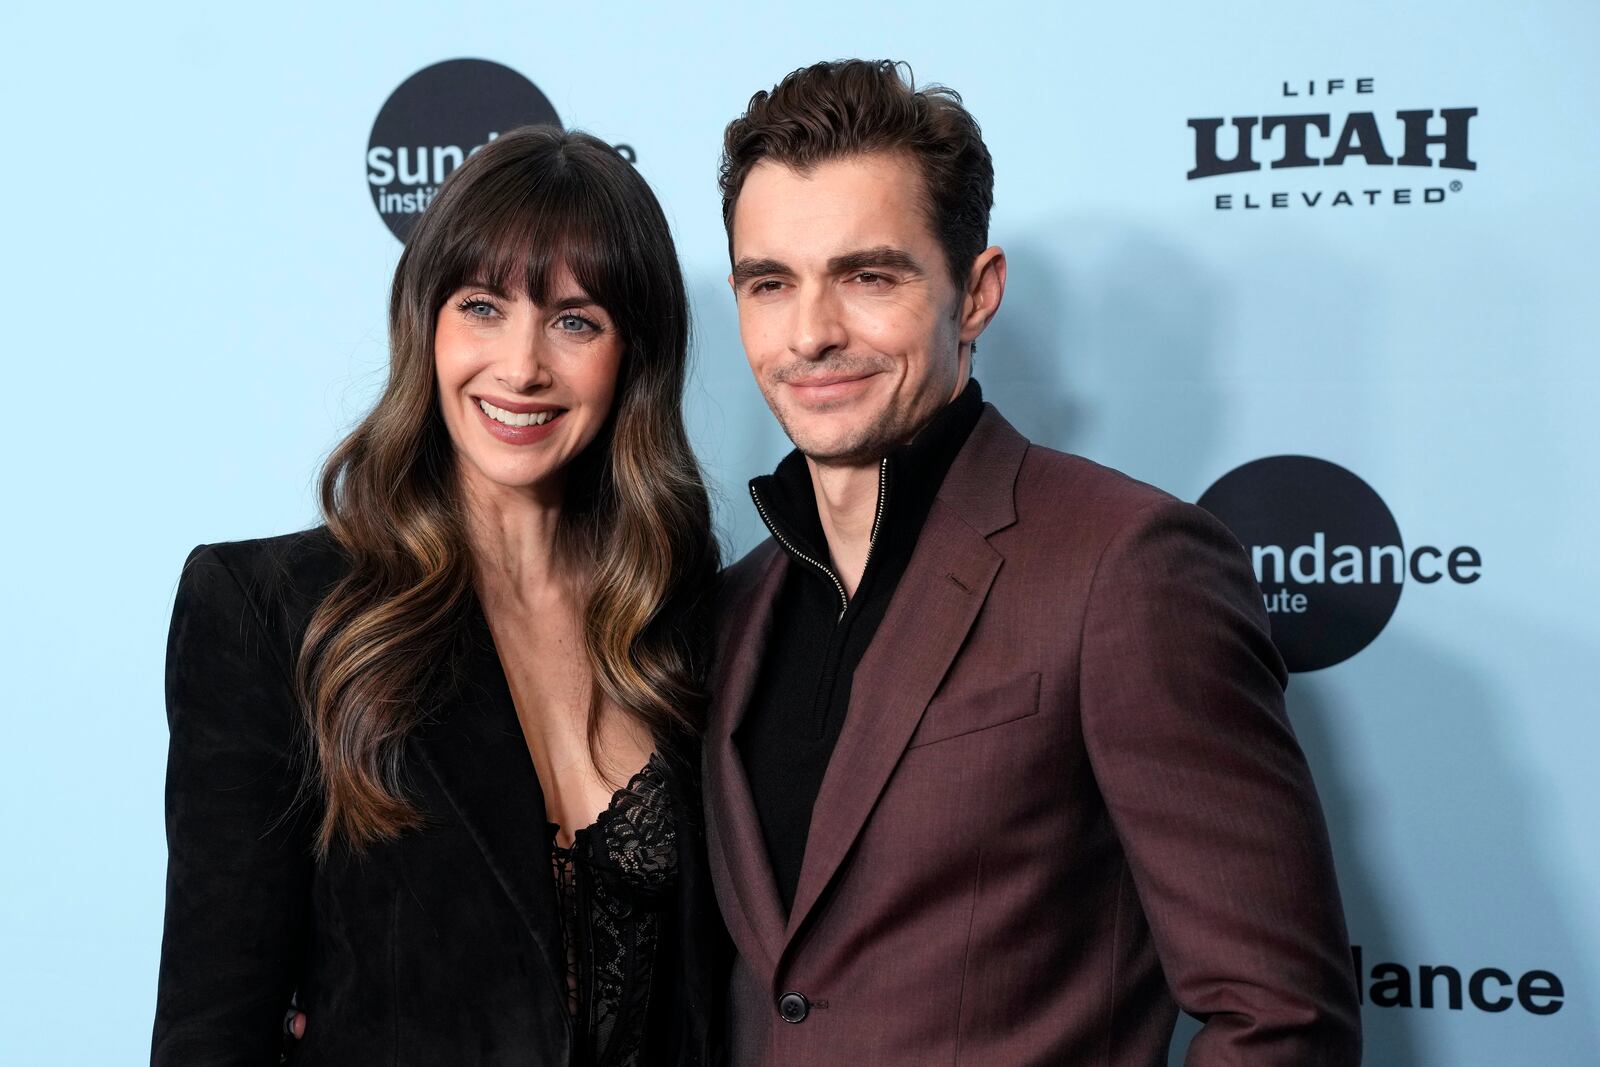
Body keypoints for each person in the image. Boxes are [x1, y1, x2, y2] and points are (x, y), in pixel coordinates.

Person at [705, 60, 1363, 1065]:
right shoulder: (732, 607)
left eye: (867, 276)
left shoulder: (1128, 567)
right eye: (770, 283)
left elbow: (1280, 1017)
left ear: (975, 293)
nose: (811, 333)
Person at [151, 126, 726, 1066]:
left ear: (633, 355)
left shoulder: (686, 616)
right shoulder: (273, 613)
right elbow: (213, 1027)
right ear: (426, 322)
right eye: (483, 307)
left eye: (575, 320)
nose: (522, 365)